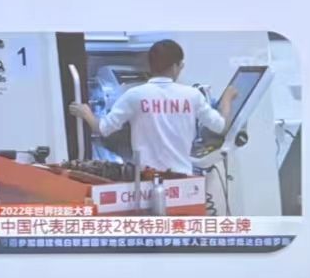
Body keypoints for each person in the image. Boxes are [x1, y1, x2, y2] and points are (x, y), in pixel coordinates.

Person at [69, 39, 237, 176]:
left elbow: (103, 129)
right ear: (176, 66)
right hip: (183, 180)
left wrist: (86, 113)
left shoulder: (135, 95)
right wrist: (227, 99)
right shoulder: (192, 95)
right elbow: (221, 126)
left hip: (146, 180)